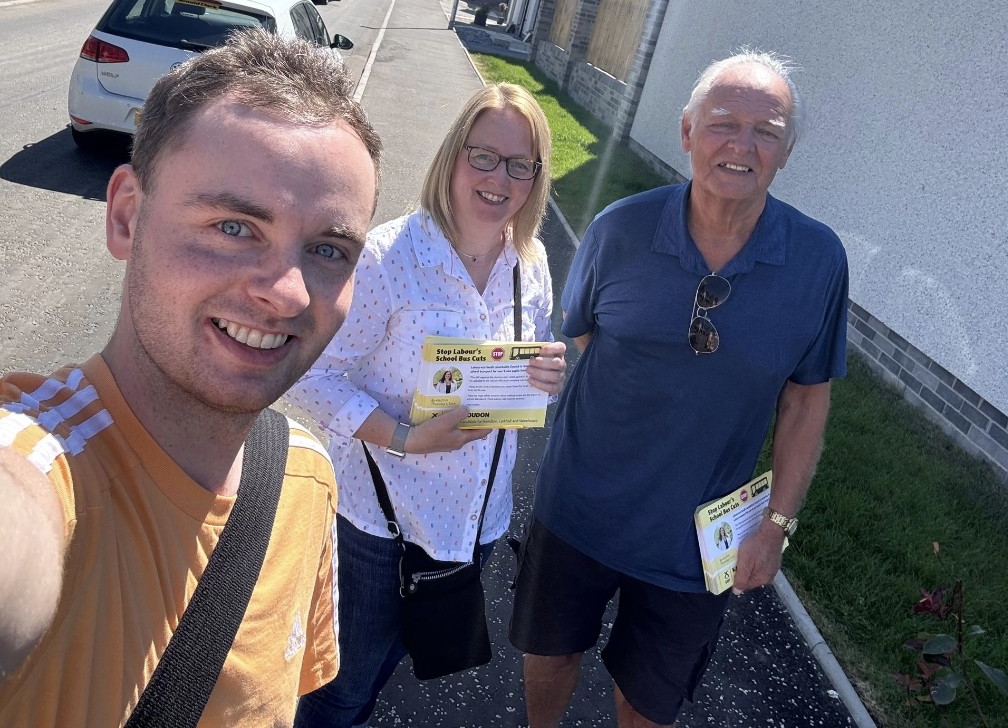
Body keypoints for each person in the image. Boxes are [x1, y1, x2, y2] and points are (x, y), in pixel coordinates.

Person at [0, 30, 383, 726]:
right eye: (235, 227)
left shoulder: (308, 479)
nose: (289, 293)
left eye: (329, 249)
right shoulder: (40, 462)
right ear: (126, 216)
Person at [510, 51, 849, 728]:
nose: (741, 146)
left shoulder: (817, 261)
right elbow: (576, 338)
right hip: (577, 509)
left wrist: (776, 526)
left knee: (648, 700)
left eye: (766, 131)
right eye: (724, 124)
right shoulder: (620, 230)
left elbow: (807, 398)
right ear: (688, 131)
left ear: (785, 152)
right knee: (549, 657)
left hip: (698, 543)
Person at [288, 82, 567, 728]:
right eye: (485, 156)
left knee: (388, 669)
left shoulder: (532, 262)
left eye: (520, 164)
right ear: (454, 155)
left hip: (474, 525)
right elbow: (309, 372)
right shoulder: (389, 260)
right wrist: (407, 436)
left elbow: (517, 370)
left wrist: (541, 376)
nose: (501, 178)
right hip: (375, 528)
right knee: (338, 691)